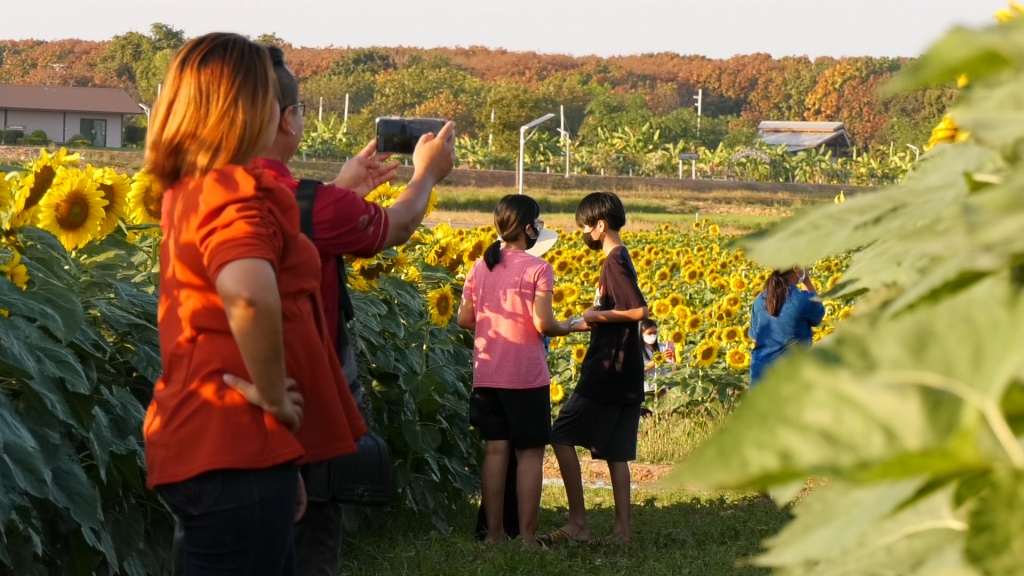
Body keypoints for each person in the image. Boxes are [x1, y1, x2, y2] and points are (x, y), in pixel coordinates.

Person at [143, 33, 366, 575]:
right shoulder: (231, 189)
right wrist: (272, 397)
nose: (280, 110)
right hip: (233, 445)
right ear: (241, 107)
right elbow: (246, 293)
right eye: (270, 95)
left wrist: (281, 457)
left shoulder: (191, 186)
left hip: (225, 447)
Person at [253, 46, 455, 576]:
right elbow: (399, 224)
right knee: (307, 552)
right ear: (288, 119)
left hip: (215, 431)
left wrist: (341, 191)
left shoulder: (207, 196)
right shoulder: (311, 203)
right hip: (301, 413)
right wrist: (427, 175)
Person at [456, 194, 586, 547]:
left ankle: (493, 536)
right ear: (528, 229)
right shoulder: (537, 268)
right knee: (529, 455)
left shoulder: (479, 267)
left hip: (487, 375)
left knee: (495, 453)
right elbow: (543, 323)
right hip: (525, 376)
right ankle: (527, 538)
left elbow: (464, 318)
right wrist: (573, 325)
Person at [543, 191, 648, 546]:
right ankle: (622, 532)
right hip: (627, 370)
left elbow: (636, 311)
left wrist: (594, 315)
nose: (583, 234)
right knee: (617, 452)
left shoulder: (613, 261)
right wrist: (575, 322)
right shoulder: (622, 257)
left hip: (608, 369)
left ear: (599, 225)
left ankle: (578, 524)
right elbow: (612, 314)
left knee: (560, 434)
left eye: (585, 227)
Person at [749, 266, 825, 387]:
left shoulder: (759, 299)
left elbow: (755, 339)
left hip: (760, 377)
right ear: (796, 268)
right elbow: (818, 313)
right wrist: (807, 281)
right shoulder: (803, 301)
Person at [640, 318, 674, 395]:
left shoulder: (663, 347)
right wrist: (660, 358)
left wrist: (674, 355)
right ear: (641, 334)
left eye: (655, 333)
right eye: (649, 333)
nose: (653, 335)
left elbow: (672, 368)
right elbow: (639, 370)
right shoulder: (638, 350)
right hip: (646, 389)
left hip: (663, 388)